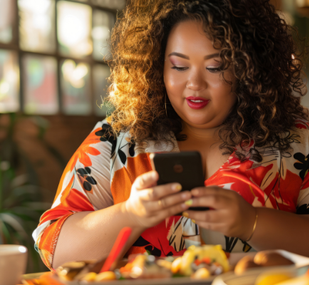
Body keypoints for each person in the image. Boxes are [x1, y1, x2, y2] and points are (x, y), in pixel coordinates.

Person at [33, 0, 309, 270]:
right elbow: (54, 250)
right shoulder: (113, 139)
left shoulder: (299, 140)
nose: (194, 83)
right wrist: (131, 214)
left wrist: (252, 222)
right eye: (179, 66)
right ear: (157, 66)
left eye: (215, 67)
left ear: (248, 70)